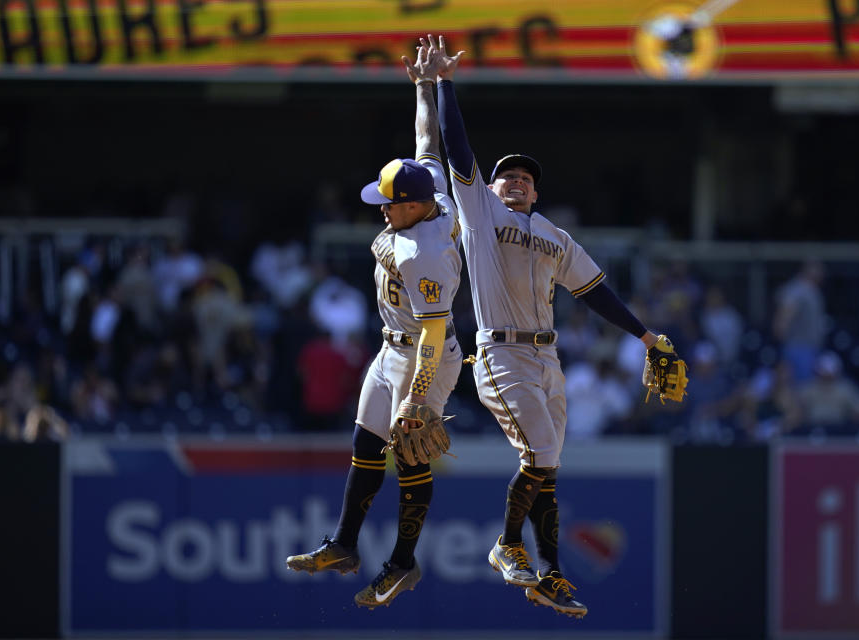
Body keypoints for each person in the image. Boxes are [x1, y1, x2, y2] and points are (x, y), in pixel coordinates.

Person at [428, 34, 672, 618]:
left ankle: (553, 572)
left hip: (548, 359)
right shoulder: (481, 215)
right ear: (488, 189)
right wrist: (443, 83)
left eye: (526, 179)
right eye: (507, 176)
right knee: (539, 457)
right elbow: (457, 149)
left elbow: (596, 294)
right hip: (501, 355)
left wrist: (645, 336)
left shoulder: (556, 238)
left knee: (547, 471)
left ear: (538, 193)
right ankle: (507, 545)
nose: (516, 181)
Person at [285, 43, 463, 610]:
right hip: (392, 348)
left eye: (388, 203)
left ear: (413, 207)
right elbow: (427, 142)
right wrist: (422, 86)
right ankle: (344, 544)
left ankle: (402, 564)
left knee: (409, 454)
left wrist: (417, 396)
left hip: (425, 355)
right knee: (366, 447)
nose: (381, 208)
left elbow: (434, 332)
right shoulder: (427, 188)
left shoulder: (424, 251)